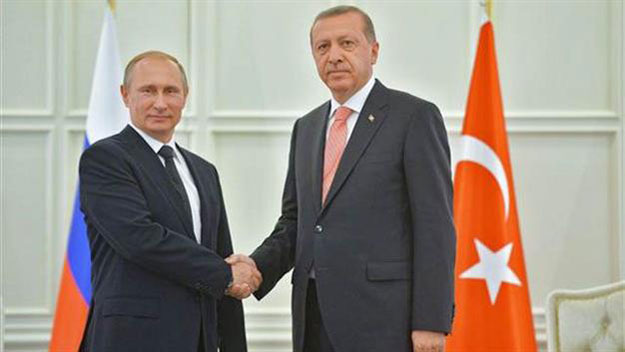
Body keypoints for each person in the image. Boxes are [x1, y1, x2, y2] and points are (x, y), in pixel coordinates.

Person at [227, 6, 456, 352]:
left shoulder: (414, 117)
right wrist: (256, 266)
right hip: (313, 315)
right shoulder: (306, 128)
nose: (333, 56)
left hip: (385, 322)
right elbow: (296, 224)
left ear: (373, 51)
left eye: (346, 43)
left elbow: (434, 228)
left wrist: (430, 321)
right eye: (323, 47)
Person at [78, 50, 260, 352]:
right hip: (131, 340)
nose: (160, 103)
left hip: (200, 339)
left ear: (185, 96)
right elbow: (139, 238)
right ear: (125, 95)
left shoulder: (204, 171)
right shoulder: (105, 158)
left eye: (171, 91)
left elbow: (220, 252)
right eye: (148, 90)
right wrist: (226, 274)